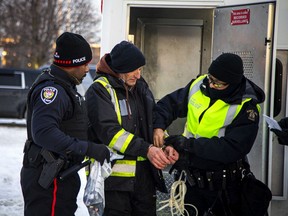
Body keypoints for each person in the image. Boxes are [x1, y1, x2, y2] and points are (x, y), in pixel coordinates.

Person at [153, 53, 265, 216]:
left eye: (218, 84)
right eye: (210, 78)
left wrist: (187, 145)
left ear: (233, 83)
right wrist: (158, 126)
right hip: (191, 180)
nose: (211, 85)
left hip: (223, 188)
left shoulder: (247, 107)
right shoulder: (198, 85)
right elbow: (168, 105)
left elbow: (233, 148)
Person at [20, 32, 110, 216]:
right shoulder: (53, 90)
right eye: (84, 64)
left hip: (60, 175)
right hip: (48, 177)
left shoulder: (65, 85)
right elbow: (44, 133)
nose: (87, 69)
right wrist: (87, 148)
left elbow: (72, 124)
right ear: (72, 63)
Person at [85, 40, 178, 216]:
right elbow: (110, 133)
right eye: (133, 70)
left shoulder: (140, 86)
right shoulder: (99, 90)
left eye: (140, 69)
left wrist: (165, 144)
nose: (138, 74)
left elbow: (151, 121)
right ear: (119, 68)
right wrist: (147, 149)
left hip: (145, 180)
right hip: (114, 182)